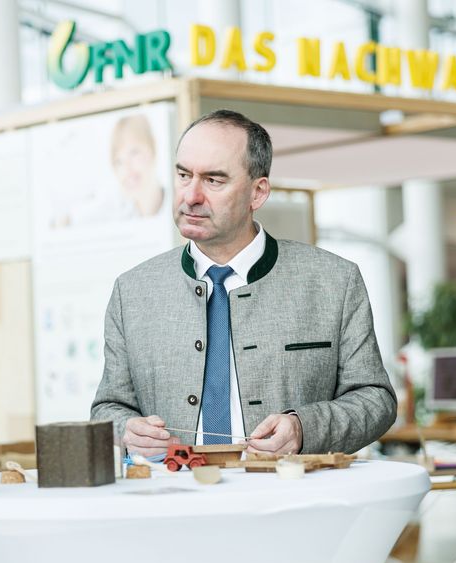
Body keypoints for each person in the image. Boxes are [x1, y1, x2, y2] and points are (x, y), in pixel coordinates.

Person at [91, 110, 396, 457]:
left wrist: (303, 427)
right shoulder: (132, 292)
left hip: (290, 498)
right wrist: (126, 432)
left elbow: (376, 399)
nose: (191, 195)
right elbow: (107, 407)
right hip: (173, 499)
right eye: (183, 175)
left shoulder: (333, 282)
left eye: (214, 180)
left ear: (258, 193)